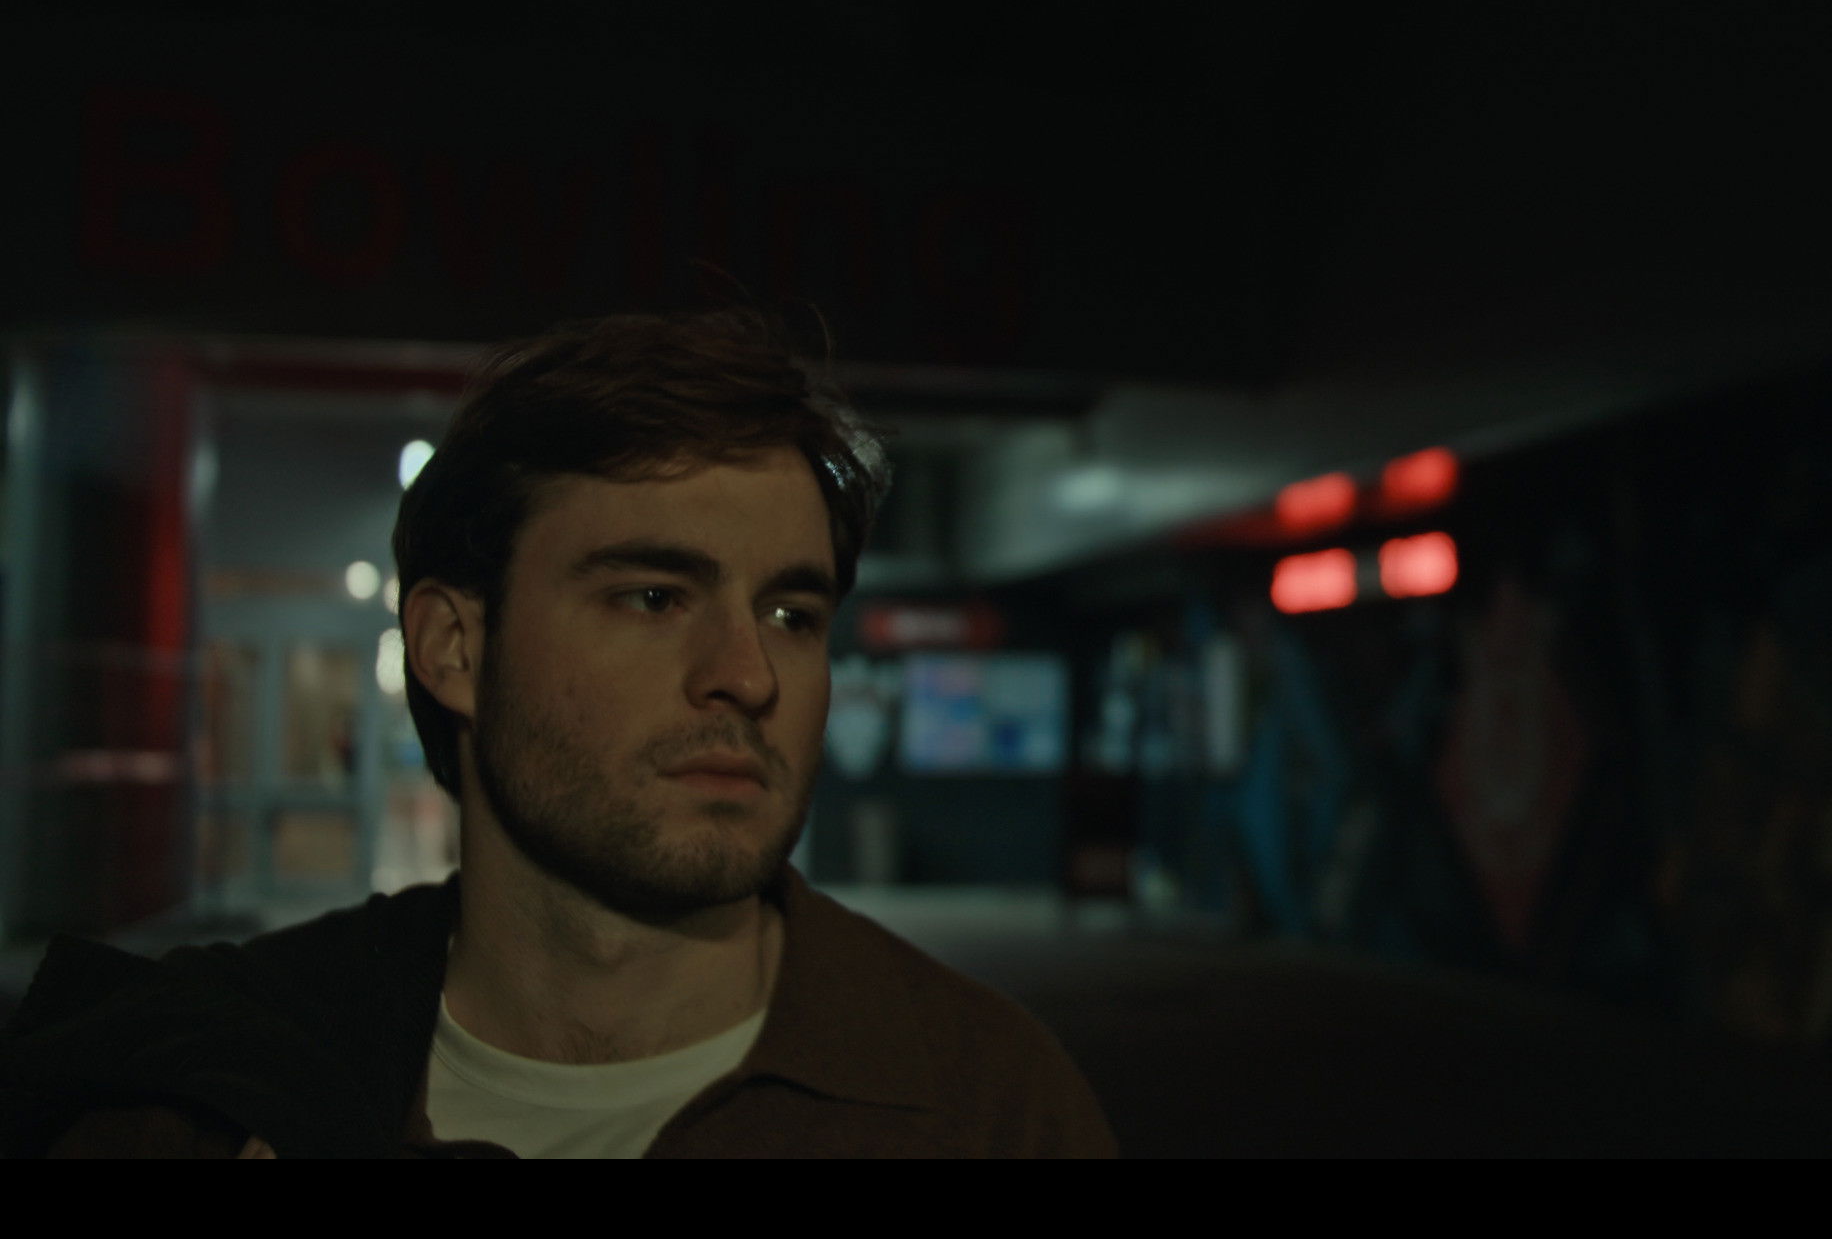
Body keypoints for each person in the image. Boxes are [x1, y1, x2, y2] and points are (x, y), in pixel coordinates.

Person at [0, 307, 1118, 1158]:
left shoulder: (982, 1102)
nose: (746, 675)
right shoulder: (208, 1084)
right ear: (454, 648)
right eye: (653, 598)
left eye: (791, 614)